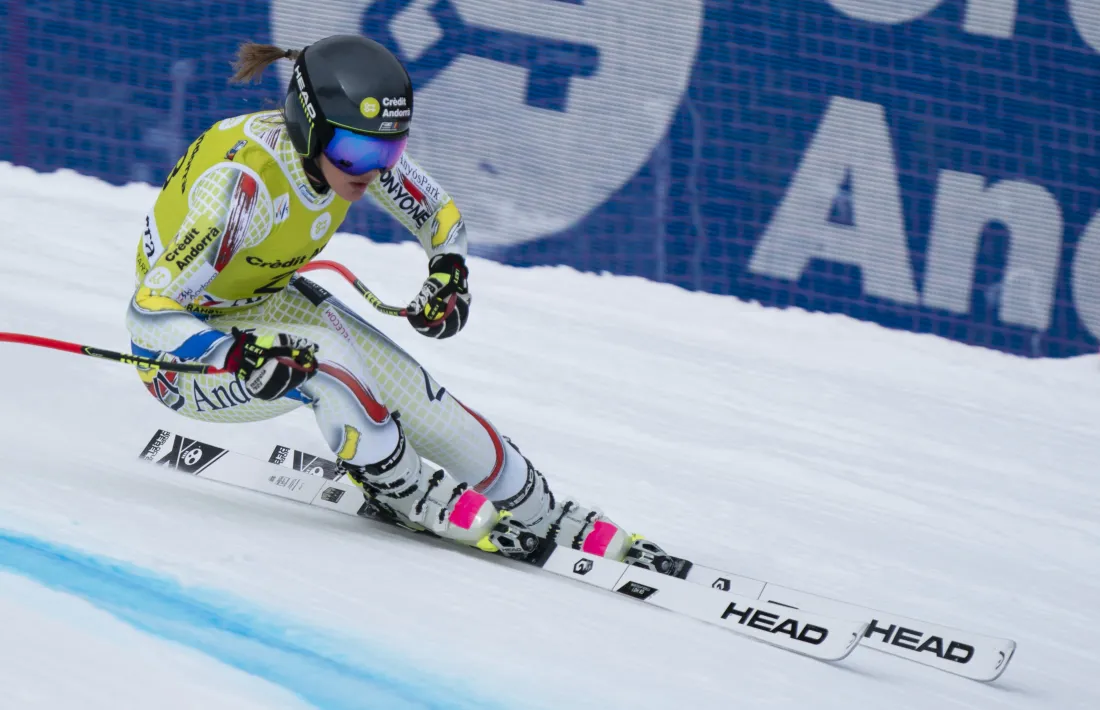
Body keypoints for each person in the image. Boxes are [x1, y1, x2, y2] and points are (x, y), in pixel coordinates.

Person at [128, 34, 674, 571]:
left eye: (389, 149)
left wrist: (449, 272)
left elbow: (438, 214)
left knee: (427, 404)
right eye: (358, 150)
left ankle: (542, 511)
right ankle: (405, 490)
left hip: (264, 305)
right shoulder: (240, 192)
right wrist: (237, 352)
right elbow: (149, 312)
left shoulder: (344, 152)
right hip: (184, 357)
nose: (372, 169)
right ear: (307, 126)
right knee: (326, 361)